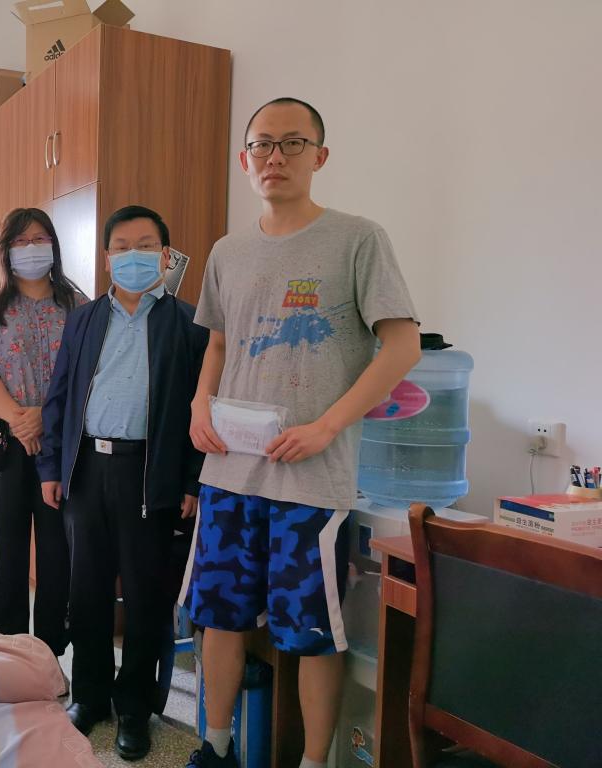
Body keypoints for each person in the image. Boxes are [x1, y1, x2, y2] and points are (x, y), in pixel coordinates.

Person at [183, 98, 421, 768]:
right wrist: (199, 404)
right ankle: (216, 747)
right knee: (219, 617)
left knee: (311, 633)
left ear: (320, 155)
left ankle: (314, 762)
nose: (275, 157)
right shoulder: (228, 251)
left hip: (311, 481)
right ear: (244, 159)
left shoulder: (357, 239)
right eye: (262, 144)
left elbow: (402, 346)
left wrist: (326, 427)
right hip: (230, 469)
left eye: (292, 143)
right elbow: (219, 344)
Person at [38, 205, 208, 762]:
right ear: (108, 257)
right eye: (122, 246)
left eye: (146, 245)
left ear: (166, 255)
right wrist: (51, 468)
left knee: (145, 594)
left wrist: (191, 480)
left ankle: (135, 706)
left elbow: (198, 409)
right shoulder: (84, 319)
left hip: (150, 473)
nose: (133, 255)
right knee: (85, 589)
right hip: (87, 468)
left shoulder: (189, 324)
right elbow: (59, 396)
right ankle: (89, 696)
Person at [0, 207, 85, 658]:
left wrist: (45, 419)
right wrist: (20, 418)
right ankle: (10, 657)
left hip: (61, 445)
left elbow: (88, 372)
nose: (31, 248)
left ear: (54, 245)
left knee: (57, 555)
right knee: (7, 555)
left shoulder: (76, 304)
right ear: (5, 250)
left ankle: (49, 659)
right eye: (20, 241)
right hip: (4, 445)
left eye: (39, 239)